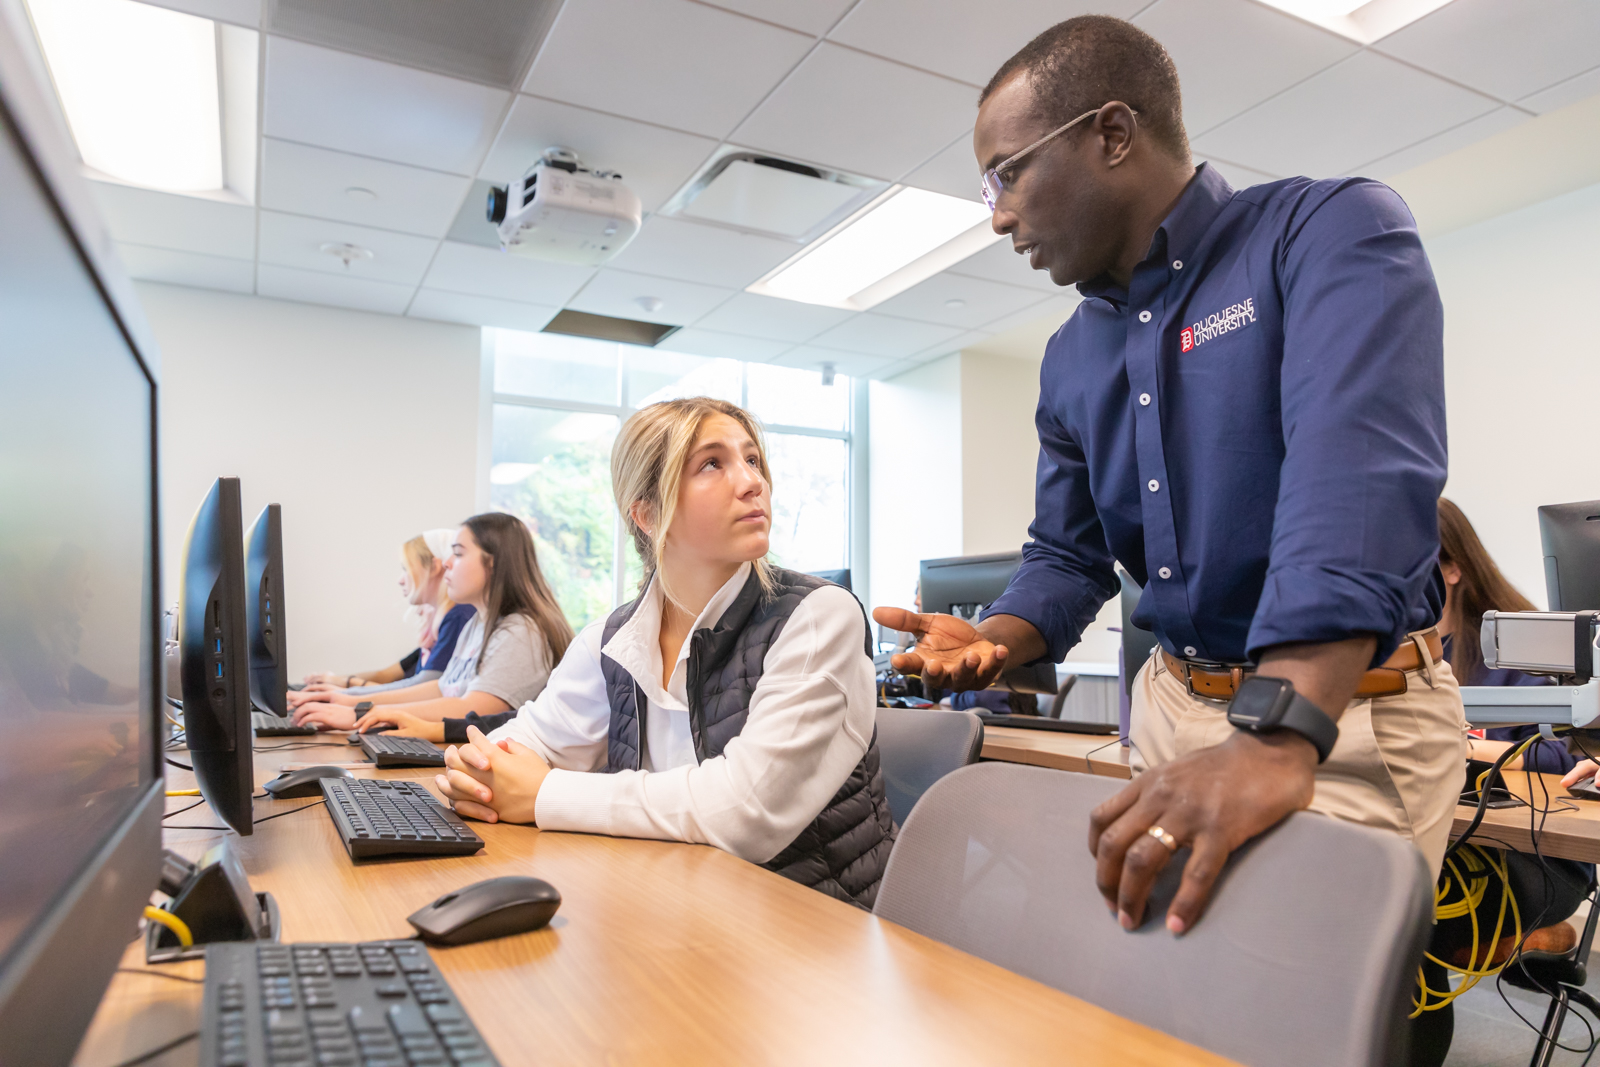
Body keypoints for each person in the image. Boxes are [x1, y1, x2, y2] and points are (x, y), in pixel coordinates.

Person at [875, 15, 1464, 939]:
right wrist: (997, 634)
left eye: (1006, 173)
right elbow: (1066, 558)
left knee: (1280, 1007)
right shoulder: (1073, 356)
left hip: (1341, 717)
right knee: (1140, 996)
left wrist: (1275, 731)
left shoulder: (1328, 230)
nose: (996, 214)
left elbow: (1357, 483)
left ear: (1112, 134)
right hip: (1174, 708)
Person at [432, 398, 896, 909]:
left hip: (812, 936)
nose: (752, 482)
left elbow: (742, 813)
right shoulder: (612, 640)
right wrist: (477, 772)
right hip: (670, 913)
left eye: (753, 460)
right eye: (712, 464)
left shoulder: (818, 617)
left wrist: (544, 794)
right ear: (648, 514)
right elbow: (514, 750)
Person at [1406, 499, 1591, 1065]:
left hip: (1542, 859)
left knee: (1413, 915)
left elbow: (1569, 754)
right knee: (1379, 891)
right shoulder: (1402, 654)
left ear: (1453, 567)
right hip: (1451, 841)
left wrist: (1464, 745)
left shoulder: (1523, 643)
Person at [290, 515, 572, 735]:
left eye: (459, 554)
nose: (447, 563)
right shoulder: (478, 622)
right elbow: (441, 688)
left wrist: (359, 712)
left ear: (494, 564)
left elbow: (473, 709)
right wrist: (348, 701)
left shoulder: (521, 631)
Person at [293, 530, 473, 697]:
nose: (400, 580)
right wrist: (337, 683)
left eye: (406, 569)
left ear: (434, 567)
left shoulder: (457, 616)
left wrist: (345, 687)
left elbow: (422, 688)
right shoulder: (445, 621)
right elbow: (387, 674)